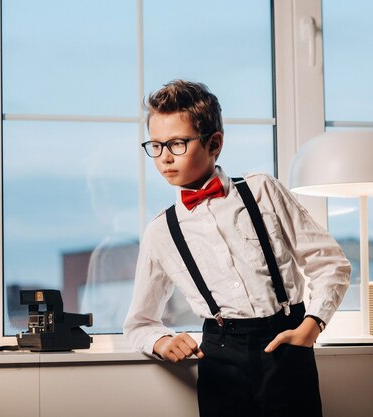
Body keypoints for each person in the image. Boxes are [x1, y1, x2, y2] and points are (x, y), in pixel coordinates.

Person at [123, 79, 351, 417]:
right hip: (220, 355)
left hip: (285, 341)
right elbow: (139, 322)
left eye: (177, 144)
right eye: (155, 146)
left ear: (214, 142)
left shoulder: (263, 192)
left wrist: (312, 325)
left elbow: (330, 262)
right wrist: (161, 341)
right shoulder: (161, 232)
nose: (165, 158)